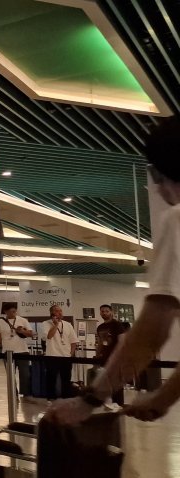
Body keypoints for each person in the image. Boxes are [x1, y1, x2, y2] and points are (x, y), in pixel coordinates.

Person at [49, 118, 180, 424]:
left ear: (159, 174)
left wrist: (90, 400)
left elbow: (151, 331)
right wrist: (163, 397)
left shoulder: (177, 220)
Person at [0, 303, 35, 396]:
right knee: (10, 375)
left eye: (14, 311)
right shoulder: (0, 322)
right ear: (5, 312)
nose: (13, 313)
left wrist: (22, 331)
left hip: (22, 351)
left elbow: (31, 334)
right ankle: (13, 393)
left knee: (25, 374)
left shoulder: (23, 320)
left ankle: (26, 394)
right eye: (11, 312)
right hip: (7, 352)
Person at [42, 305, 79, 400]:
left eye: (60, 310)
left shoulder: (68, 324)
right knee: (51, 378)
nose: (60, 312)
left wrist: (71, 354)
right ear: (51, 313)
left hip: (66, 356)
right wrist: (55, 325)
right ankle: (51, 398)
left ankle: (66, 398)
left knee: (66, 379)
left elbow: (73, 341)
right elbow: (49, 336)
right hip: (52, 355)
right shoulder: (46, 323)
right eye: (57, 311)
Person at [94, 304, 126, 405]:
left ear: (111, 312)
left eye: (106, 311)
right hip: (105, 358)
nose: (104, 313)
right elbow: (100, 342)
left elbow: (122, 341)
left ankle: (118, 405)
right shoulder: (100, 327)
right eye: (102, 311)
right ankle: (109, 404)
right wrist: (97, 355)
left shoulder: (117, 325)